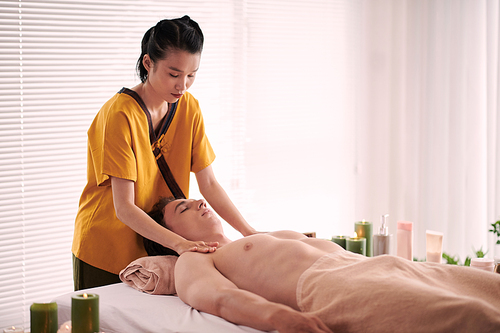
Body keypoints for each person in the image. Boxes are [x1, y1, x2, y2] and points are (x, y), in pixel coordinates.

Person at [72, 16, 256, 291]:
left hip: (159, 246)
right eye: (174, 74)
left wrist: (249, 232)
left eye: (191, 75)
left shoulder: (189, 108)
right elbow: (124, 208)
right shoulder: (119, 115)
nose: (182, 86)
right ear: (148, 63)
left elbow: (209, 183)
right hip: (106, 248)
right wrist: (180, 244)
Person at [145, 197, 500, 333]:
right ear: (167, 233)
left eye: (192, 198)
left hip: (373, 265)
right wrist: (282, 318)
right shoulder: (193, 259)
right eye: (183, 208)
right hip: (333, 286)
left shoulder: (248, 239)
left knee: (485, 290)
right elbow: (219, 298)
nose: (197, 201)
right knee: (467, 316)